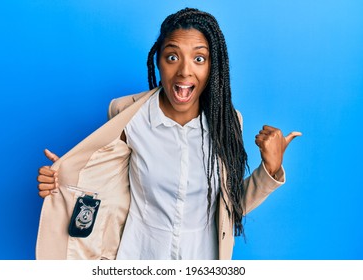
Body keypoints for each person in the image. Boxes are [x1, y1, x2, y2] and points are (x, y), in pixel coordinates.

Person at [36, 7, 301, 260]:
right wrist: (65, 180)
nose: (185, 70)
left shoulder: (228, 122)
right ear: (158, 61)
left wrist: (270, 168)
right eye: (172, 57)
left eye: (199, 58)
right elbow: (103, 186)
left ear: (213, 66)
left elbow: (230, 208)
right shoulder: (127, 115)